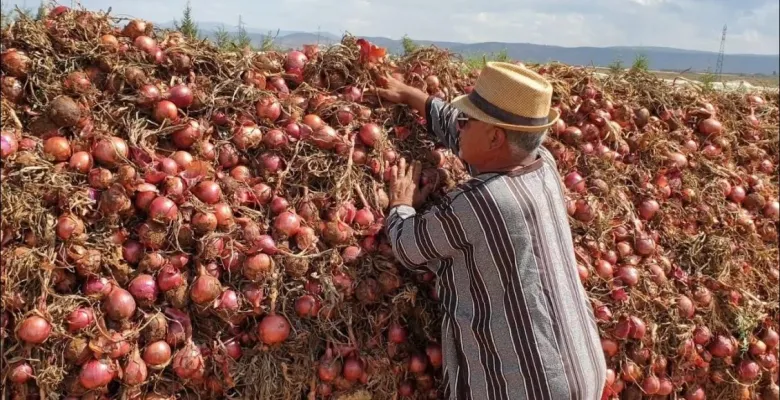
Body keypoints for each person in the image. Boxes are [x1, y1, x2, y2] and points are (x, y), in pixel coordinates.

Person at [375, 62, 607, 400]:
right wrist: (419, 100)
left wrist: (400, 206)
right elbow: (468, 142)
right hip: (581, 368)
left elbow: (409, 246)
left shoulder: (478, 203)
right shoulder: (543, 166)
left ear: (496, 136)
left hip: (528, 387)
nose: (461, 126)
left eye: (467, 120)